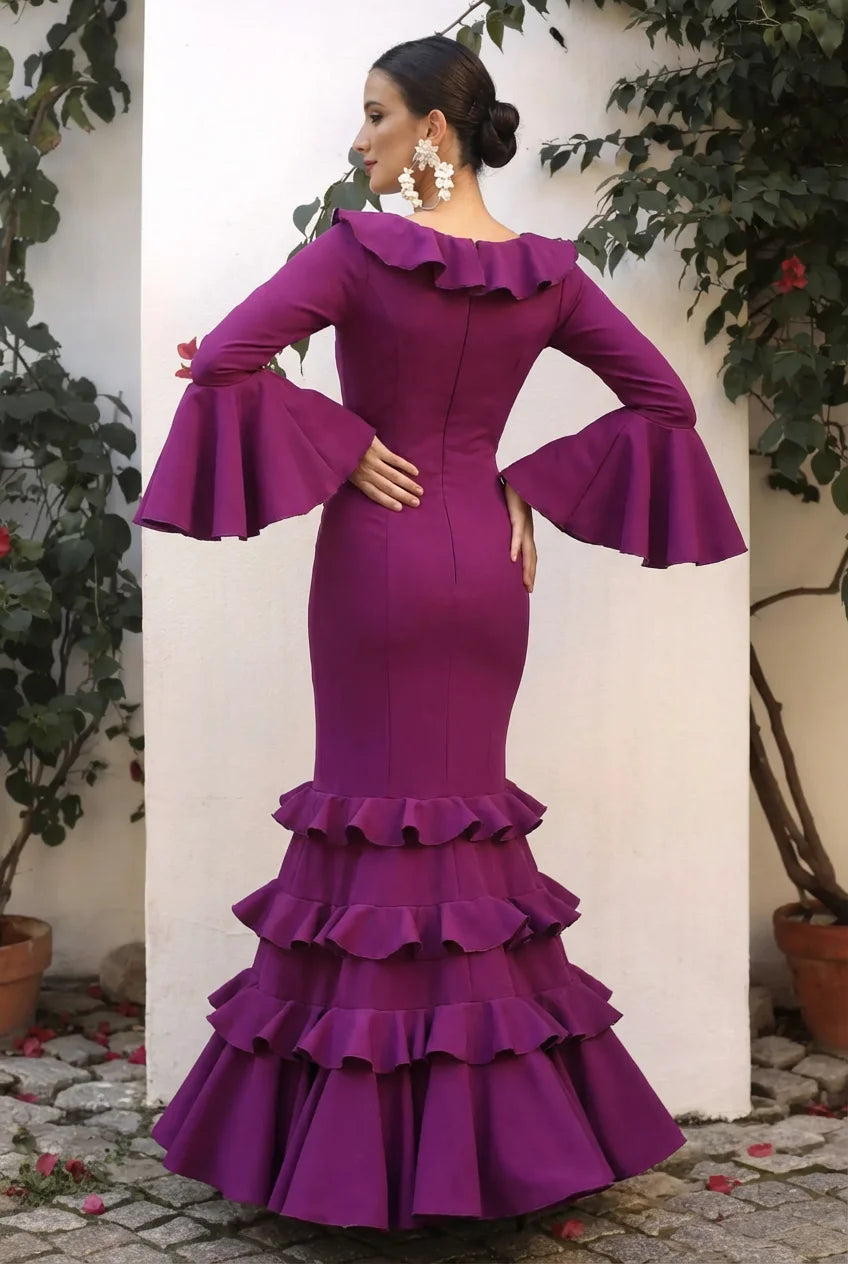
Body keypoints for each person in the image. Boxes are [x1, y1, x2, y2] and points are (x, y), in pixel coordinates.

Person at [133, 33, 746, 1233]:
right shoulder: (544, 274)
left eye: (374, 113)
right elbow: (663, 400)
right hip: (487, 567)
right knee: (463, 831)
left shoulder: (354, 252)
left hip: (378, 566)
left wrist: (348, 443)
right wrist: (528, 484)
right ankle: (494, 1147)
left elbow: (226, 362)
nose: (357, 138)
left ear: (432, 130)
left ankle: (357, 1155)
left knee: (371, 824)